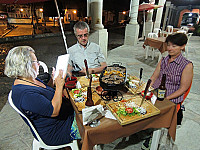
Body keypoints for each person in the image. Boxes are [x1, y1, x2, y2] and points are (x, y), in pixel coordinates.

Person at [4, 46, 80, 147]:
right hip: (57, 130)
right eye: (36, 62)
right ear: (26, 66)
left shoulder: (29, 79)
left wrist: (53, 79)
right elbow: (54, 111)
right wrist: (59, 86)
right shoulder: (26, 95)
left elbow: (43, 91)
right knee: (95, 124)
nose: (39, 64)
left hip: (62, 119)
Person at [141, 33, 193, 150]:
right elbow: (154, 77)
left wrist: (165, 99)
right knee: (138, 102)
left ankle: (153, 136)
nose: (170, 48)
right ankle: (144, 128)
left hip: (171, 97)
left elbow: (183, 89)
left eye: (174, 46)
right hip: (156, 92)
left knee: (157, 111)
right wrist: (147, 88)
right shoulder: (163, 60)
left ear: (182, 46)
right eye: (169, 45)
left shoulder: (186, 65)